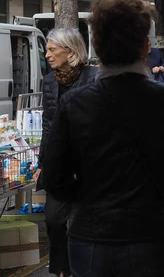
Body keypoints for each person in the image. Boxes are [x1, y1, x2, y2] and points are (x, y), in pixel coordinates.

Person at [43, 0, 164, 277]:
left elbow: (54, 178)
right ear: (145, 47)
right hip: (155, 235)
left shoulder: (75, 104)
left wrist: (85, 196)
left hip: (91, 238)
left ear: (96, 45)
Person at [37, 28, 97, 277]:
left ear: (69, 51)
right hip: (58, 164)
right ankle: (62, 268)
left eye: (52, 49)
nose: (47, 55)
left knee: (82, 222)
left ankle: (77, 270)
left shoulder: (93, 77)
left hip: (88, 165)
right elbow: (48, 124)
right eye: (47, 49)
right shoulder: (49, 81)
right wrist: (43, 162)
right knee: (53, 220)